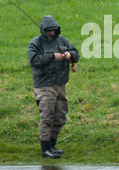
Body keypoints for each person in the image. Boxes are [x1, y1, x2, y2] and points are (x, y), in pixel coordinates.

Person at [28, 15, 80, 159]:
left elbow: (76, 55)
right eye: (48, 31)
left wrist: (71, 54)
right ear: (43, 30)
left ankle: (52, 146)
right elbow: (34, 60)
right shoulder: (35, 44)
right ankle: (45, 150)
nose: (51, 33)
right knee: (47, 117)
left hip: (60, 84)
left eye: (53, 30)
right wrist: (52, 56)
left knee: (60, 117)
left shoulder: (62, 40)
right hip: (44, 86)